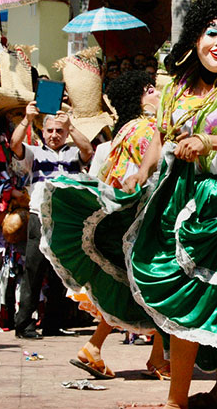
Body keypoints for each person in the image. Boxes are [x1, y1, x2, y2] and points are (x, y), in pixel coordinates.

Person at [41, 0, 217, 409]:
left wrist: (211, 141)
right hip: (178, 200)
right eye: (212, 32)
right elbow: (161, 135)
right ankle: (191, 395)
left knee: (216, 307)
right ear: (194, 38)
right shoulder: (177, 86)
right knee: (181, 300)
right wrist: (142, 171)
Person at [70, 70, 170, 380]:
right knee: (162, 284)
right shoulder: (145, 128)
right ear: (139, 98)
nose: (157, 94)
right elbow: (160, 169)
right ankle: (157, 359)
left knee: (135, 286)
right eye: (151, 90)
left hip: (129, 219)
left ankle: (98, 348)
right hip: (147, 218)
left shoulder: (125, 129)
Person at [11, 101, 93, 339]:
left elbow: (88, 150)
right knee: (33, 270)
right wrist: (27, 119)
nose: (54, 134)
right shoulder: (33, 152)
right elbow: (14, 144)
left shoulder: (73, 152)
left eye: (59, 130)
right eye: (50, 130)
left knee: (62, 272)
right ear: (42, 132)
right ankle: (24, 325)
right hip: (40, 216)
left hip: (66, 220)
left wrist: (72, 126)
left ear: (66, 133)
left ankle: (53, 324)